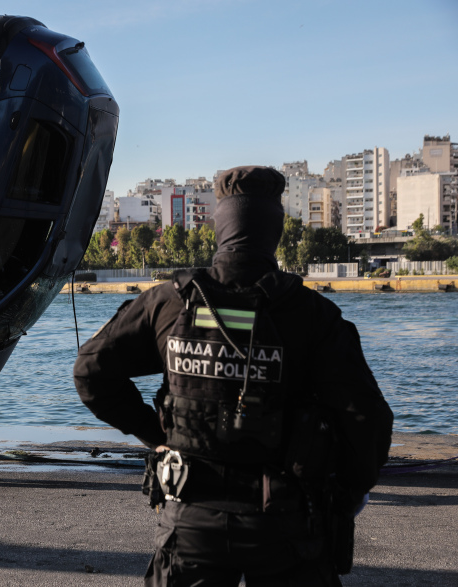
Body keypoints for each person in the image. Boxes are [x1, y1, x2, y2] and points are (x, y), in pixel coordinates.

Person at [74, 166, 393, 586]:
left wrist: (158, 435)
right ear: (273, 231)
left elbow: (91, 371)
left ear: (221, 225)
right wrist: (349, 491)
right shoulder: (311, 316)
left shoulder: (168, 304)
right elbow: (365, 416)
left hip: (189, 521)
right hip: (286, 525)